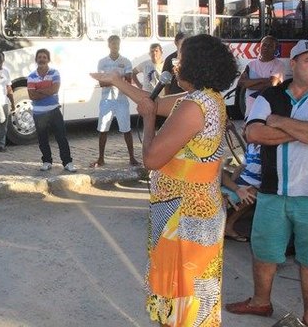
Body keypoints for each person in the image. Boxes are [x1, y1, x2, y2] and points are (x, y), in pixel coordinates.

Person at [91, 34, 239, 326]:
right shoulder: (207, 98)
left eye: (181, 58)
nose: (175, 62)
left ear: (196, 64)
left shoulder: (193, 107)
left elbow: (152, 159)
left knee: (183, 292)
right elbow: (154, 102)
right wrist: (118, 82)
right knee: (195, 290)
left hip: (184, 216)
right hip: (194, 211)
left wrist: (147, 121)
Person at [225, 39, 308, 327]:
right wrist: (306, 130)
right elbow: (254, 134)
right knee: (264, 251)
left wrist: (278, 121)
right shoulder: (270, 96)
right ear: (293, 64)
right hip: (271, 191)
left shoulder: (273, 107)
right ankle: (260, 303)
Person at [91, 35, 139, 168]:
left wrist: (111, 79)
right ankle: (100, 158)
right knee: (103, 129)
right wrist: (118, 79)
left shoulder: (126, 61)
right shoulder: (102, 62)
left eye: (117, 43)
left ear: (119, 45)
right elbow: (101, 82)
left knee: (126, 129)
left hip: (121, 99)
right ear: (108, 45)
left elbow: (128, 81)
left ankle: (132, 157)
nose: (115, 46)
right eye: (112, 43)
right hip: (106, 100)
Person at [27, 48, 76, 172]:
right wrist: (47, 91)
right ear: (36, 60)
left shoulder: (55, 73)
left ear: (48, 59)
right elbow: (32, 96)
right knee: (42, 139)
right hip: (39, 113)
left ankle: (67, 162)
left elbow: (54, 90)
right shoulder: (31, 76)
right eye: (39, 57)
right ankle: (47, 161)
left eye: (44, 57)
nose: (42, 59)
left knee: (61, 137)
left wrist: (39, 90)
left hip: (54, 111)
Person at [220, 142, 260, 242]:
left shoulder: (267, 148)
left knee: (251, 194)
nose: (244, 132)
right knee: (221, 196)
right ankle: (218, 229)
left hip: (253, 185)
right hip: (240, 181)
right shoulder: (250, 146)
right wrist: (233, 184)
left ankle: (228, 226)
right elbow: (241, 167)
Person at [237, 35, 284, 116]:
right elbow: (241, 83)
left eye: (270, 46)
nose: (266, 48)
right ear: (260, 46)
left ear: (275, 49)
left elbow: (272, 84)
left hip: (268, 109)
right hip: (250, 109)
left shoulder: (278, 65)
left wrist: (249, 85)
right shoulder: (250, 65)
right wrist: (263, 80)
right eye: (264, 45)